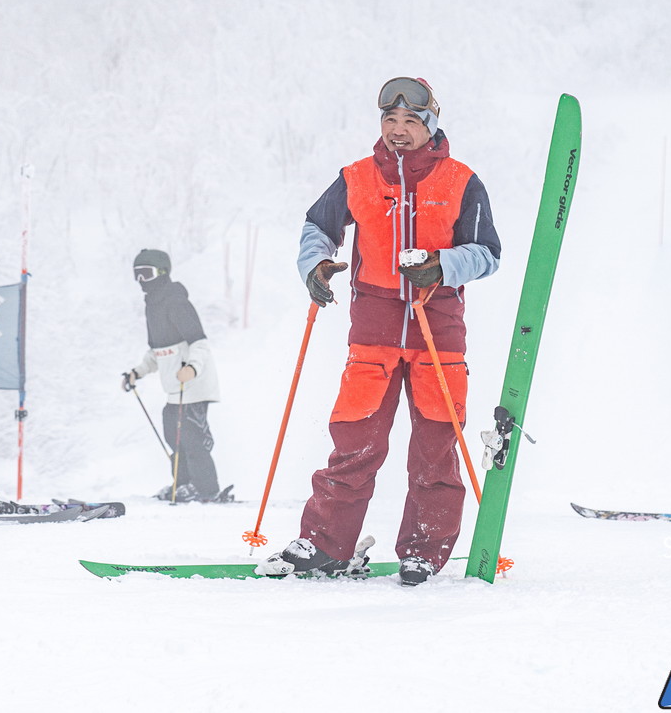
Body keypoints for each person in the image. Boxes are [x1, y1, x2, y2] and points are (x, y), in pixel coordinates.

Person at [267, 76, 501, 586]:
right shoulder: (356, 177)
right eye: (390, 121)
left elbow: (487, 254)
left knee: (435, 451)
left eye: (410, 121)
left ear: (430, 125)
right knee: (354, 445)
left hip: (437, 337)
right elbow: (318, 228)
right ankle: (323, 544)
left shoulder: (462, 181)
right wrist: (316, 266)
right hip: (371, 336)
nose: (398, 130)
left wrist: (442, 265)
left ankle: (424, 551)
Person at [121, 249, 229, 503]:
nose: (141, 281)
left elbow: (199, 343)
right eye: (136, 275)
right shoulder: (152, 307)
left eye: (145, 274)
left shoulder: (177, 301)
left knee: (192, 438)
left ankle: (206, 489)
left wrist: (191, 368)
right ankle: (183, 485)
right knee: (173, 433)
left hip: (195, 383)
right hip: (175, 387)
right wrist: (137, 372)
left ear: (161, 273)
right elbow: (156, 352)